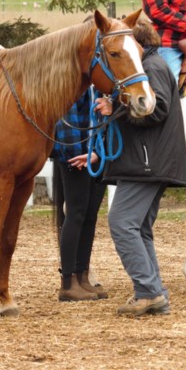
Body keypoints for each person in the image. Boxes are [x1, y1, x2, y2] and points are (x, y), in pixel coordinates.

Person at [104, 19, 186, 316]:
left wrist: (116, 109)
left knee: (121, 222)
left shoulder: (151, 67)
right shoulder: (155, 65)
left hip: (146, 161)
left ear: (136, 43)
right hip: (151, 160)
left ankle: (147, 291)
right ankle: (155, 291)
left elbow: (157, 109)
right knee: (139, 228)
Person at [52, 87, 110, 302]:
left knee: (90, 214)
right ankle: (67, 282)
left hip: (98, 153)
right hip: (77, 155)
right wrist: (77, 153)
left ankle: (82, 275)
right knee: (76, 213)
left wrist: (100, 150)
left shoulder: (102, 85)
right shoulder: (74, 85)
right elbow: (67, 121)